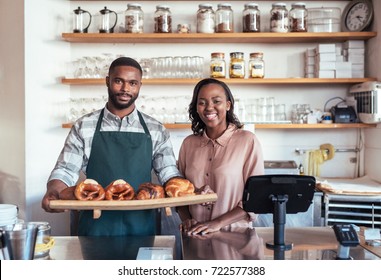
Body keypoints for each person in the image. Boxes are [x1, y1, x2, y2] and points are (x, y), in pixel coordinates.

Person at [41, 57, 182, 236]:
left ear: (140, 86)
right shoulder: (84, 126)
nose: (125, 89)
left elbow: (168, 172)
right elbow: (65, 170)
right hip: (95, 226)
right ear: (107, 81)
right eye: (118, 81)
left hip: (141, 224)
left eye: (132, 83)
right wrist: (53, 192)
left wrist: (188, 190)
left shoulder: (156, 129)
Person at [177, 78, 264, 235]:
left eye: (216, 101)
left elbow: (255, 199)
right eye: (202, 102)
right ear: (196, 107)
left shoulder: (247, 141)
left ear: (228, 105)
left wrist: (217, 223)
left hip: (237, 238)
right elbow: (179, 191)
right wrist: (186, 219)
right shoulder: (188, 144)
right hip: (196, 236)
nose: (209, 107)